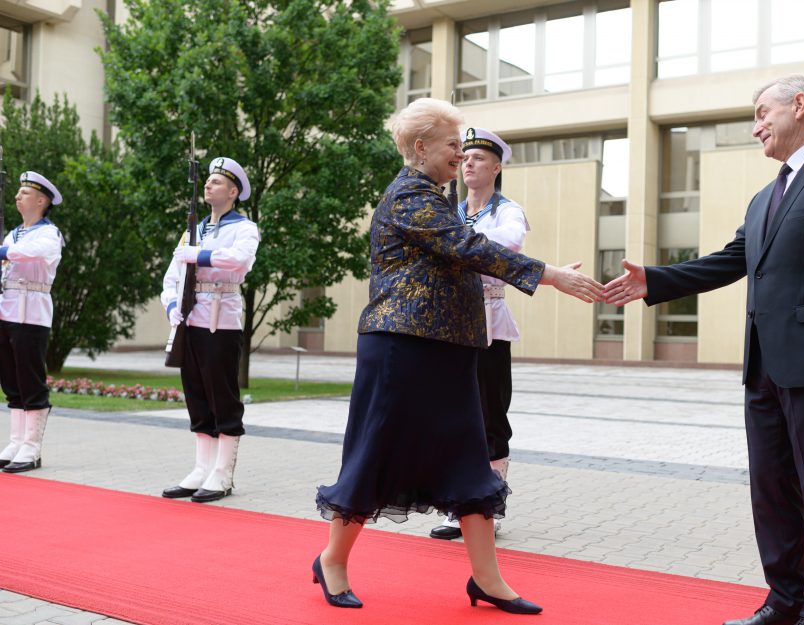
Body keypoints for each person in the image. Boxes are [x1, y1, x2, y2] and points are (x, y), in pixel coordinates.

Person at [604, 75, 804, 625]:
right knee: (771, 489)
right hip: (763, 365)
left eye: (763, 111)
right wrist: (657, 281)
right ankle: (783, 603)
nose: (755, 124)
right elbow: (733, 258)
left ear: (800, 106)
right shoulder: (766, 194)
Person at [313, 98, 603, 613]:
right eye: (452, 145)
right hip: (401, 347)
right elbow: (467, 247)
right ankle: (332, 560)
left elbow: (471, 249)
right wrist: (549, 274)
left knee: (471, 460)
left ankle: (487, 580)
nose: (459, 154)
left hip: (448, 348)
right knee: (375, 454)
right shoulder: (409, 196)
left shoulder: (436, 196)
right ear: (420, 148)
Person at [430, 127, 527, 541]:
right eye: (464, 156)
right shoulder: (448, 211)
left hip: (489, 322)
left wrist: (456, 242)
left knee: (490, 415)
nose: (468, 163)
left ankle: (491, 503)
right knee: (455, 415)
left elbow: (509, 244)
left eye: (478, 158)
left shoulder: (507, 210)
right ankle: (461, 504)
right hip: (452, 323)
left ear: (497, 166)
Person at [160, 157, 259, 503]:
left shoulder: (244, 228)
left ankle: (223, 473)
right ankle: (202, 468)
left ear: (233, 192)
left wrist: (197, 256)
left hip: (222, 319)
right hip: (190, 320)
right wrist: (173, 307)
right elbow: (171, 278)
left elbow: (238, 260)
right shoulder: (193, 229)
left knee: (222, 394)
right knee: (197, 393)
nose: (208, 185)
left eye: (217, 182)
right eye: (208, 181)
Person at [0, 172, 65, 474]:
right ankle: (15, 441)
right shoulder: (13, 233)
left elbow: (31, 255)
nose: (18, 195)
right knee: (11, 379)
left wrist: (4, 253)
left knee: (30, 378)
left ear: (41, 201)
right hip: (7, 309)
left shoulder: (48, 234)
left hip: (32, 312)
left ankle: (32, 447)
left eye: (25, 192)